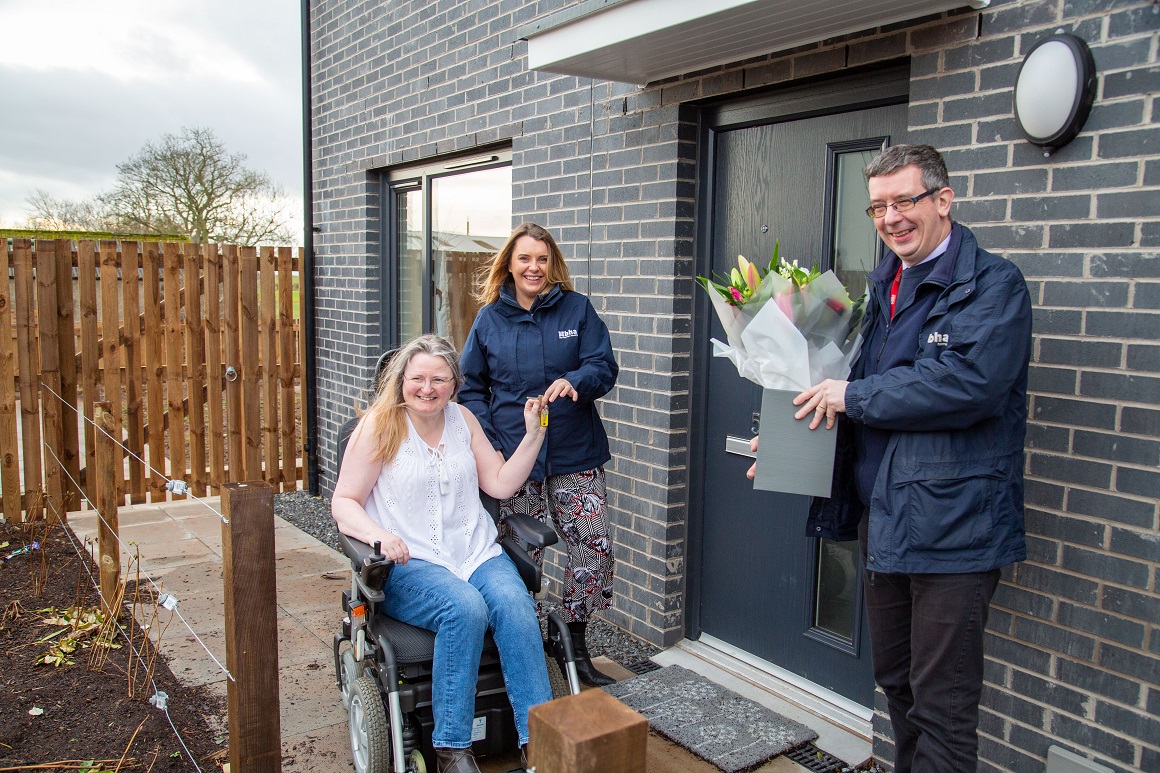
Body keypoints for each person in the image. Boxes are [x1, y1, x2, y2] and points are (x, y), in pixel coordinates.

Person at [749, 144, 1032, 771]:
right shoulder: (884, 289)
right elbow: (850, 397)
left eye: (904, 201)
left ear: (942, 199)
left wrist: (850, 395)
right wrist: (792, 442)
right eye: (878, 206)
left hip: (955, 530)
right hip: (886, 520)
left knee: (943, 707)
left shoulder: (994, 285)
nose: (890, 218)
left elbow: (967, 384)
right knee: (898, 686)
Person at [332, 334, 553, 773]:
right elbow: (344, 503)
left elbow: (501, 484)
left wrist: (533, 436)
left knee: (515, 604)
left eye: (439, 379)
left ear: (454, 382)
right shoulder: (380, 426)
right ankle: (452, 749)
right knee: (465, 609)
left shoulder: (464, 419)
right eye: (417, 378)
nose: (427, 389)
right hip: (410, 562)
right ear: (402, 381)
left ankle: (541, 743)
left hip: (474, 552)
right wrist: (379, 537)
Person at [460, 222, 620, 687]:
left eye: (542, 259)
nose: (534, 267)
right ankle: (524, 642)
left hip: (574, 450)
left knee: (594, 549)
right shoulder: (489, 319)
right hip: (515, 456)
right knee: (520, 556)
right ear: (510, 263)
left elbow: (603, 365)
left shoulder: (577, 309)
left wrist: (578, 381)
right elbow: (471, 388)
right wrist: (489, 442)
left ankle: (571, 634)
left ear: (553, 265)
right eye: (525, 258)